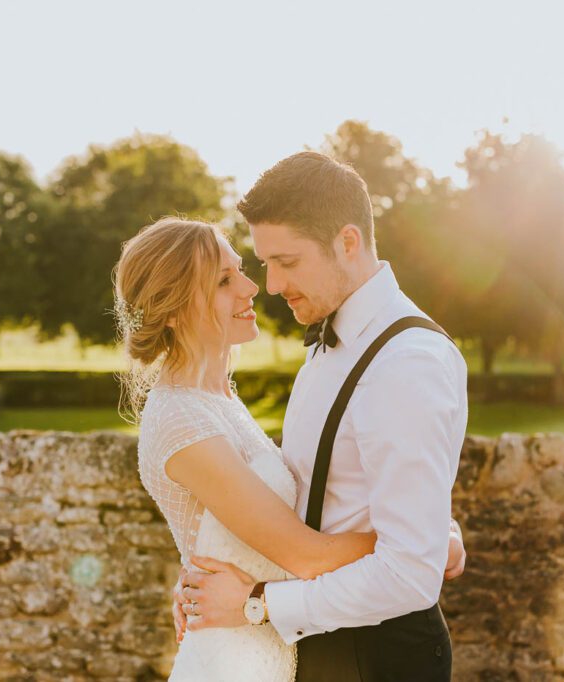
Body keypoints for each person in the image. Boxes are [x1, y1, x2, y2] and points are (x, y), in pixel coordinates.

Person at [174, 152, 469, 681]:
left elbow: (409, 573)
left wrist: (257, 604)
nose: (269, 284)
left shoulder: (406, 363)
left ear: (348, 243)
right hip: (320, 645)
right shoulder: (330, 342)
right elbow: (336, 496)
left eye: (287, 262)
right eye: (265, 263)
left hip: (377, 655)